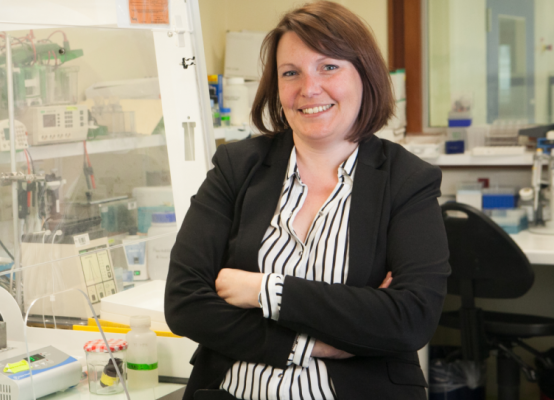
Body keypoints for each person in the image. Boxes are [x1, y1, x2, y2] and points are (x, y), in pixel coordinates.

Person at [164, 2, 450, 399]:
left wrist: (264, 289)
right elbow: (184, 302)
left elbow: (408, 320)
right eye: (290, 73)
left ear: (364, 74)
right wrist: (312, 343)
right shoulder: (237, 166)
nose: (308, 88)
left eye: (329, 67)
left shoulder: (407, 180)